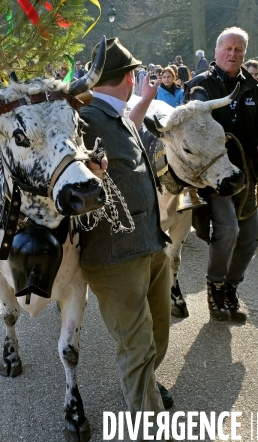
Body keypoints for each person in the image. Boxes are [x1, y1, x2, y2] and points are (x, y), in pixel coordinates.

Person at [79, 37, 174, 432]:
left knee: (157, 333)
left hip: (150, 246)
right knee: (137, 349)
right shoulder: (83, 120)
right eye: (137, 75)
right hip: (115, 256)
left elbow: (126, 129)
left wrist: (147, 99)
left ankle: (143, 388)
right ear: (128, 77)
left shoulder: (117, 114)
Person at [183, 27, 258, 322]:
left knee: (253, 236)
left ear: (244, 54)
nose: (233, 54)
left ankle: (232, 287)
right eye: (228, 48)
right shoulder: (199, 85)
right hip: (213, 176)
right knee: (227, 231)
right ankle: (215, 286)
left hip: (248, 173)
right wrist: (211, 137)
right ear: (216, 52)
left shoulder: (255, 87)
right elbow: (185, 127)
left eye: (239, 50)